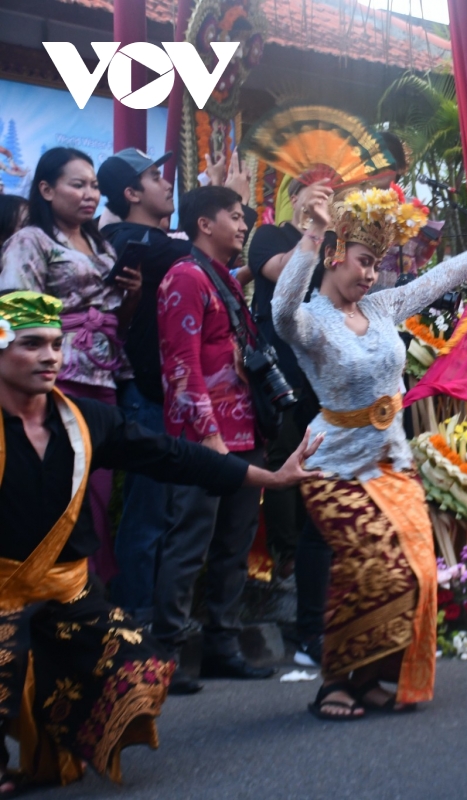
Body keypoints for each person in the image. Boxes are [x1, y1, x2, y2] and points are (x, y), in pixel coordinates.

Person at [0, 290, 321, 793]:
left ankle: (58, 734)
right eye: (30, 344)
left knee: (141, 667)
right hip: (1, 596)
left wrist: (267, 478)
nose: (49, 357)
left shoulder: (86, 420)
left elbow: (173, 456)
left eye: (57, 344)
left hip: (66, 592)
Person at [273, 184, 467, 720]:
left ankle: (373, 676)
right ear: (335, 258)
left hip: (392, 462)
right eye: (361, 262)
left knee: (418, 572)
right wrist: (312, 230)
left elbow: (435, 280)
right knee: (369, 567)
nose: (369, 275)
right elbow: (280, 309)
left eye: (375, 265)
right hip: (334, 465)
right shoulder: (310, 322)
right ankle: (334, 681)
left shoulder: (382, 306)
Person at [0, 147, 142, 585]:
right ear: (46, 189)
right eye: (76, 184)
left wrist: (132, 293)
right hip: (56, 380)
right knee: (68, 490)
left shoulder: (100, 243)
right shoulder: (31, 241)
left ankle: (86, 590)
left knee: (95, 485)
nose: (90, 194)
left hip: (103, 375)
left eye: (94, 186)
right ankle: (61, 591)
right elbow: (14, 310)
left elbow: (118, 317)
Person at [153, 186, 272, 693]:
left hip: (245, 437)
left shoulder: (221, 278)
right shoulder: (184, 277)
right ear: (205, 223)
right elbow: (181, 368)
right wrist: (210, 440)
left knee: (233, 547)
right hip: (204, 443)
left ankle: (223, 647)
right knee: (188, 546)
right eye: (234, 216)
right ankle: (165, 657)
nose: (243, 225)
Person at [97, 148, 191, 623]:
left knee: (164, 514)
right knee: (147, 515)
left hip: (165, 395)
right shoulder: (128, 240)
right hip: (143, 394)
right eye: (155, 176)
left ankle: (152, 622)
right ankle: (134, 623)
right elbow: (193, 250)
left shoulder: (154, 240)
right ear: (131, 193)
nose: (165, 182)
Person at [246, 177, 328, 666]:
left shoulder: (332, 243)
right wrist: (313, 235)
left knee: (321, 457)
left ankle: (318, 544)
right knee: (281, 458)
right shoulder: (271, 235)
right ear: (293, 197)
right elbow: (281, 273)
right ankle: (286, 554)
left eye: (329, 195)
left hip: (320, 366)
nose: (322, 201)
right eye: (313, 192)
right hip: (277, 367)